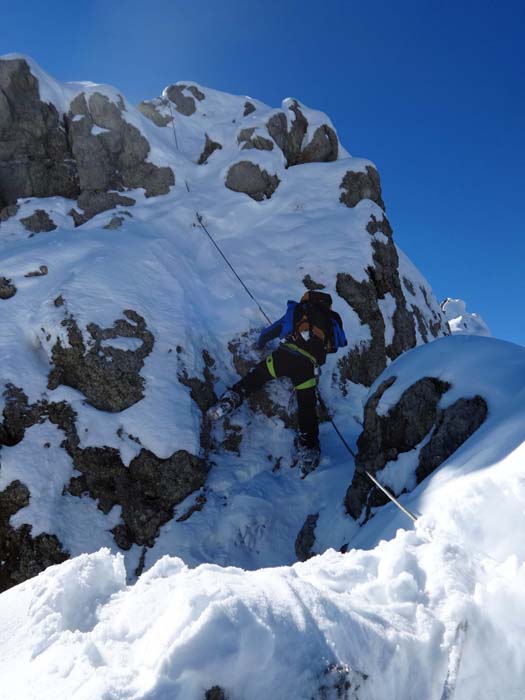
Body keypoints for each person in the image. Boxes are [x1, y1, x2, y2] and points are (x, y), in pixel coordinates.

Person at [207, 291, 347, 475]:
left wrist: (260, 342)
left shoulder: (298, 310)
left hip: (284, 356)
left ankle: (231, 399)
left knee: (256, 377)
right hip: (307, 367)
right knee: (307, 407)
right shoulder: (330, 319)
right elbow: (338, 344)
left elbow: (273, 330)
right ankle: (308, 448)